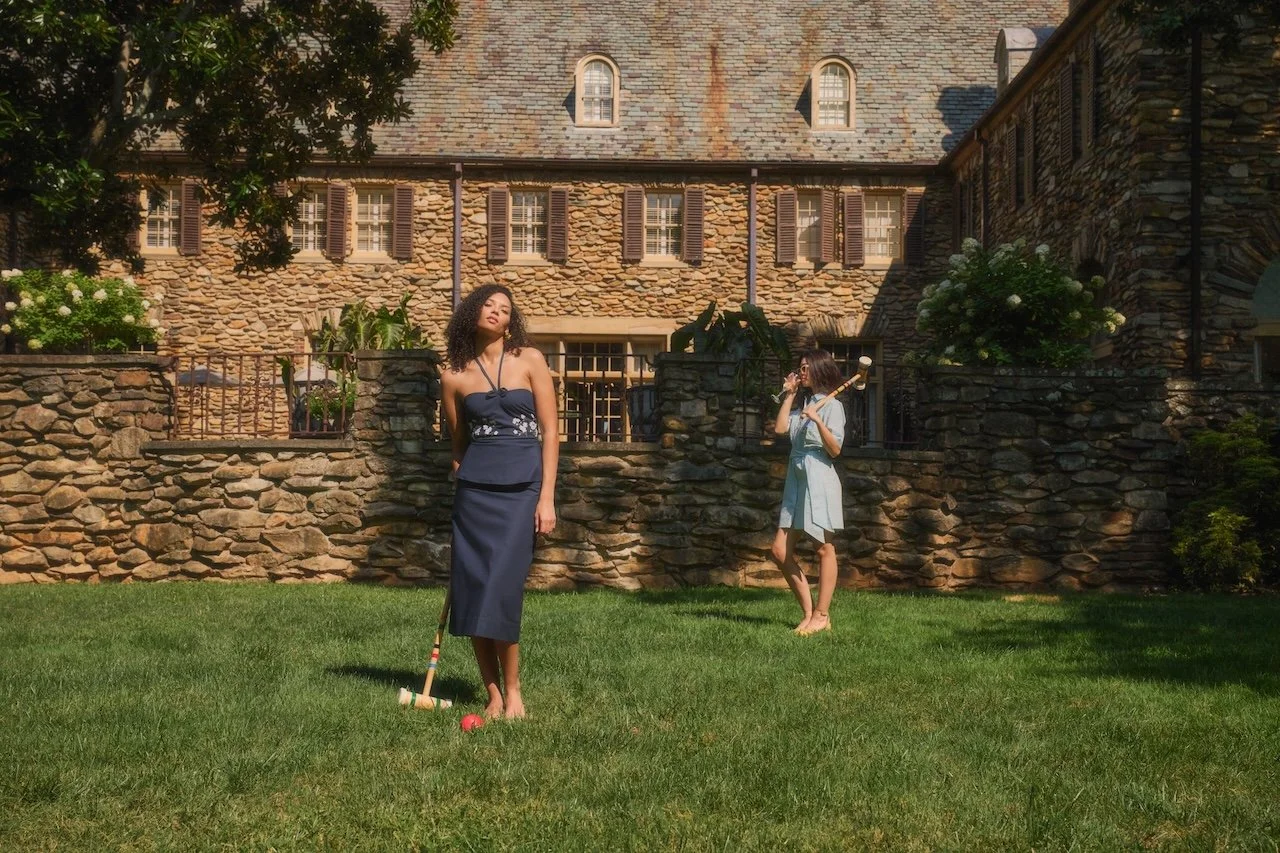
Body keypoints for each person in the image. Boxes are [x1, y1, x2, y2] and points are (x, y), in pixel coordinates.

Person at [440, 284, 558, 719]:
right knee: (474, 592)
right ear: (472, 313)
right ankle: (491, 693)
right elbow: (458, 442)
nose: (496, 312)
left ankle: (514, 692)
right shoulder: (454, 375)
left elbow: (550, 432)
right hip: (474, 496)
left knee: (502, 590)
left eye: (505, 309)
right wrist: (460, 472)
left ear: (512, 321)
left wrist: (546, 497)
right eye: (488, 305)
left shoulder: (530, 360)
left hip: (522, 490)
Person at [770, 349, 846, 636]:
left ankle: (822, 614)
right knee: (779, 551)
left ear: (818, 369)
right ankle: (808, 613)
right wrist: (789, 394)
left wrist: (817, 420)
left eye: (805, 368)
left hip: (819, 476)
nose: (801, 372)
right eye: (799, 368)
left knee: (824, 548)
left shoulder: (832, 406)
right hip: (796, 477)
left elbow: (836, 450)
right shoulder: (804, 403)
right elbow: (779, 429)